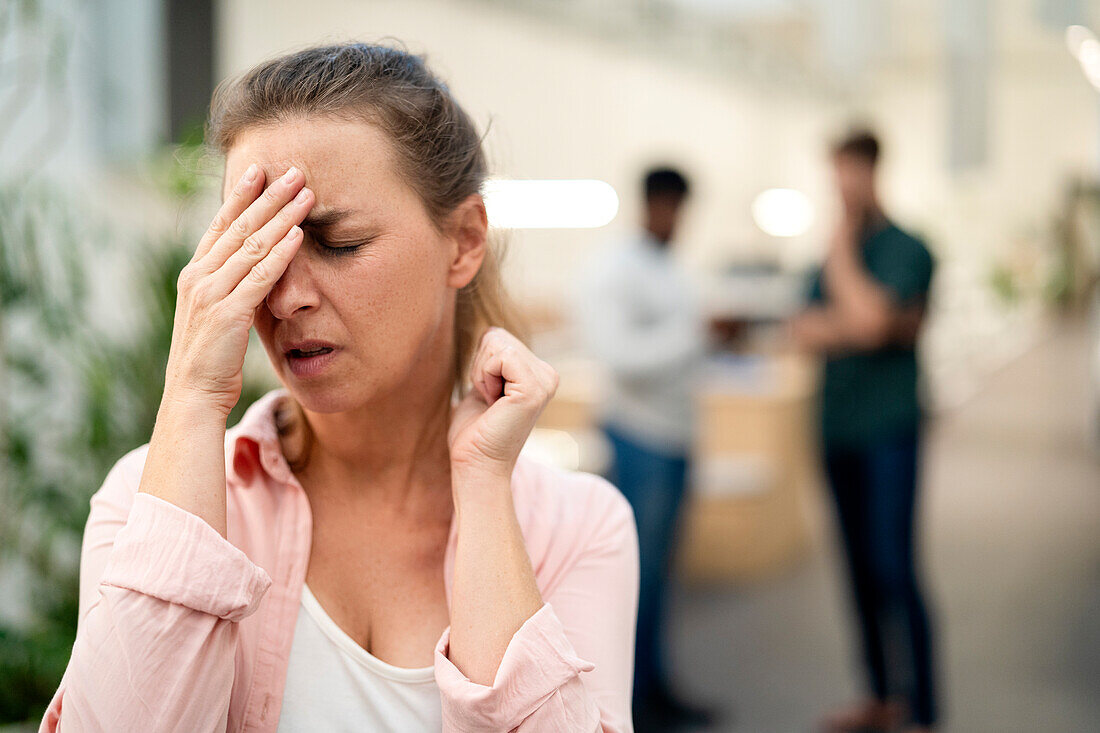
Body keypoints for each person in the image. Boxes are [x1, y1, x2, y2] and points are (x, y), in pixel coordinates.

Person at [40, 42, 639, 732]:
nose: (285, 296)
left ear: (465, 240)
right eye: (259, 248)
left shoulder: (579, 526)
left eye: (340, 243)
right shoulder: (147, 498)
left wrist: (481, 485)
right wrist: (191, 398)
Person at [790, 130, 938, 733]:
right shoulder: (822, 259)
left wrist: (844, 253)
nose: (843, 184)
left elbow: (874, 324)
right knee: (854, 571)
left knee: (894, 569)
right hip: (836, 432)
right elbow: (802, 330)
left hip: (889, 433)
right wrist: (859, 321)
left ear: (874, 171)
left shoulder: (906, 248)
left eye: (852, 171)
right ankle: (879, 695)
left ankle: (924, 708)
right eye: (836, 172)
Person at [576, 167, 713, 732]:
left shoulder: (670, 267)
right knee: (637, 579)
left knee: (663, 578)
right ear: (651, 203)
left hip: (678, 437)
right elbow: (618, 356)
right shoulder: (615, 269)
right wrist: (696, 336)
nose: (675, 219)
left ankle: (656, 687)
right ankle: (627, 705)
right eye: (669, 207)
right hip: (639, 439)